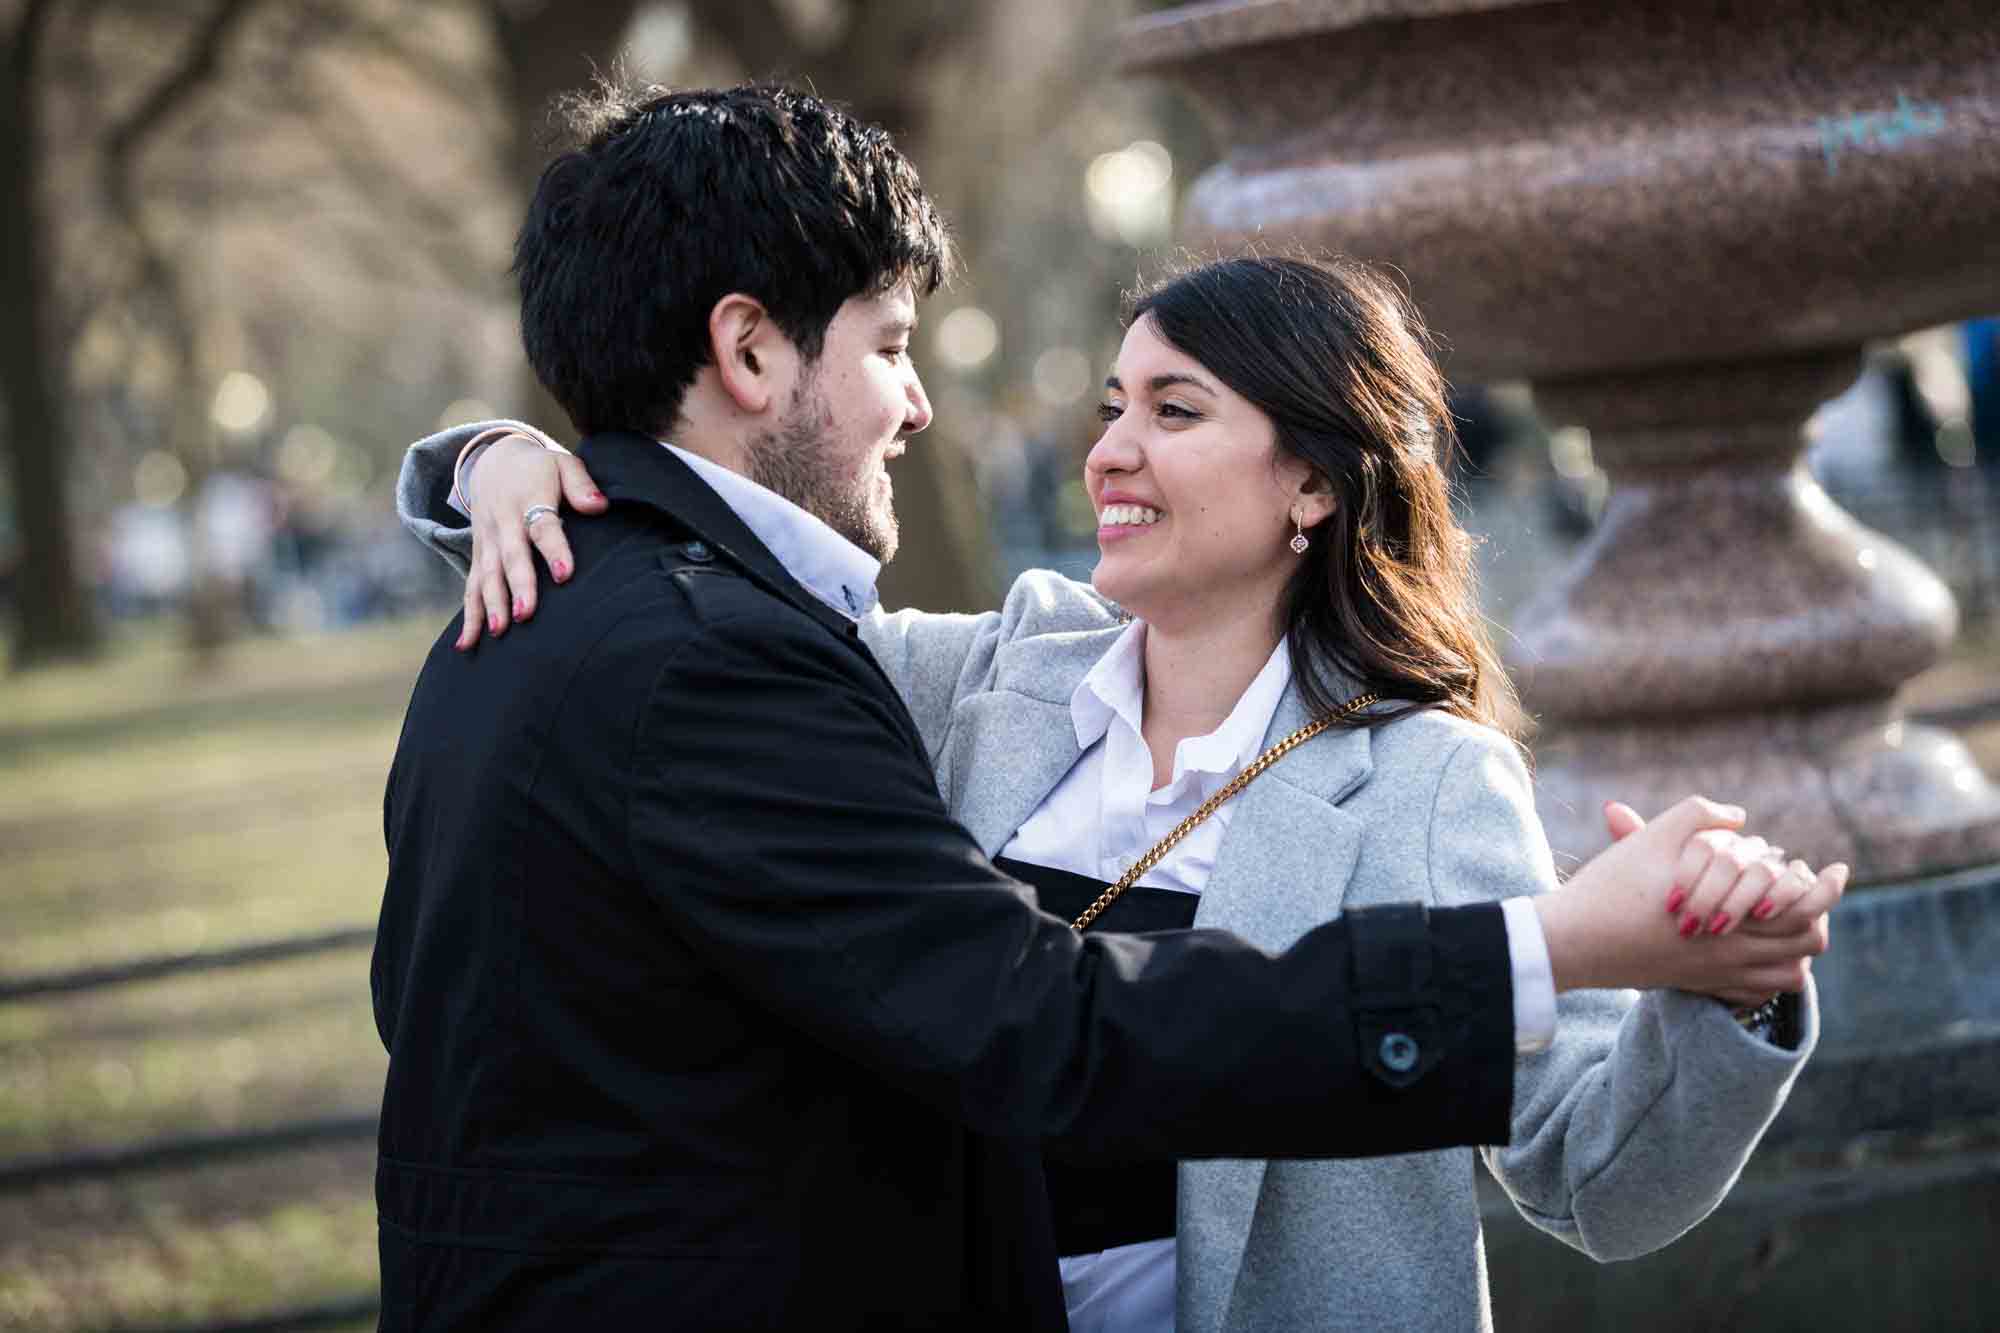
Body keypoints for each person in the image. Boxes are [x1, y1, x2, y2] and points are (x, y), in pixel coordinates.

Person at [381, 82, 1838, 1331]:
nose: (1111, 455)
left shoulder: (1428, 783)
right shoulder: (977, 675)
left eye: (1175, 411)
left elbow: (1591, 1171)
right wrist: (497, 457)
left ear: (1316, 483)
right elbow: (675, 609)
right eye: (1111, 409)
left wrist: (1728, 1002)